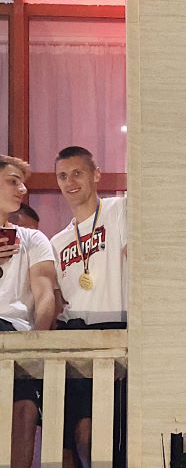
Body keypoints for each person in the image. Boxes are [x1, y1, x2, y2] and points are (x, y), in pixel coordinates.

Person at [50, 146, 127, 468]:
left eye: (77, 173)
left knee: (114, 435)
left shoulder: (119, 210)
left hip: (117, 330)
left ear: (96, 175)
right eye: (62, 176)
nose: (69, 182)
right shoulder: (56, 242)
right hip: (75, 337)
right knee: (81, 436)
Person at [0, 156, 57, 468]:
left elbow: (45, 292)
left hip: (18, 335)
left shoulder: (33, 239)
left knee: (24, 408)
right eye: (12, 181)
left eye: (22, 183)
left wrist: (38, 342)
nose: (22, 189)